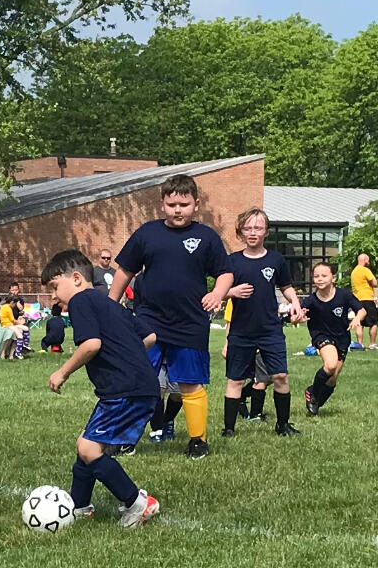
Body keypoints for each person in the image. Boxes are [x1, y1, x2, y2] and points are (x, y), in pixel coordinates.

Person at [113, 174, 235, 458]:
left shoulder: (207, 237)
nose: (177, 210)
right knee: (141, 379)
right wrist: (110, 305)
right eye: (171, 204)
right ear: (162, 204)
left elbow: (225, 272)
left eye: (184, 204)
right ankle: (126, 438)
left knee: (190, 382)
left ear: (196, 204)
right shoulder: (147, 233)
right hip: (149, 320)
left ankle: (197, 440)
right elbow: (125, 270)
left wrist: (218, 293)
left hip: (190, 322)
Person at [42, 249, 163, 528]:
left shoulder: (81, 301)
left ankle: (138, 503)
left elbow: (91, 345)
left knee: (88, 448)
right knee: (86, 444)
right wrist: (126, 354)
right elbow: (149, 336)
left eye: (54, 287)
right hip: (136, 386)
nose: (53, 296)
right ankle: (79, 506)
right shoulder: (109, 303)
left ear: (76, 278)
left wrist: (62, 372)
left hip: (125, 389)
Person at [216, 207, 302, 438]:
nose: (253, 232)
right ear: (240, 232)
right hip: (241, 331)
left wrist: (294, 301)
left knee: (280, 376)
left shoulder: (276, 259)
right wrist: (232, 291)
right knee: (236, 380)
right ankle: (229, 429)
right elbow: (217, 293)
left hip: (270, 330)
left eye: (258, 228)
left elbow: (286, 287)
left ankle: (283, 425)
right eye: (248, 228)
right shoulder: (232, 261)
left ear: (266, 232)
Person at [295, 260, 358, 415]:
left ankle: (315, 402)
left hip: (342, 338)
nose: (320, 279)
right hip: (321, 336)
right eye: (316, 276)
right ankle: (312, 393)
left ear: (333, 278)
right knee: (330, 365)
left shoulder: (344, 295)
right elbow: (295, 316)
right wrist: (297, 317)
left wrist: (357, 318)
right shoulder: (311, 300)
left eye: (324, 275)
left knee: (332, 378)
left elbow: (361, 310)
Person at [347, 253, 378, 349]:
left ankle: (360, 344)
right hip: (367, 298)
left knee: (359, 322)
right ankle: (372, 344)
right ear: (365, 260)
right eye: (368, 260)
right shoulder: (365, 270)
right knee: (374, 322)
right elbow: (375, 283)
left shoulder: (354, 272)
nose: (368, 262)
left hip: (357, 299)